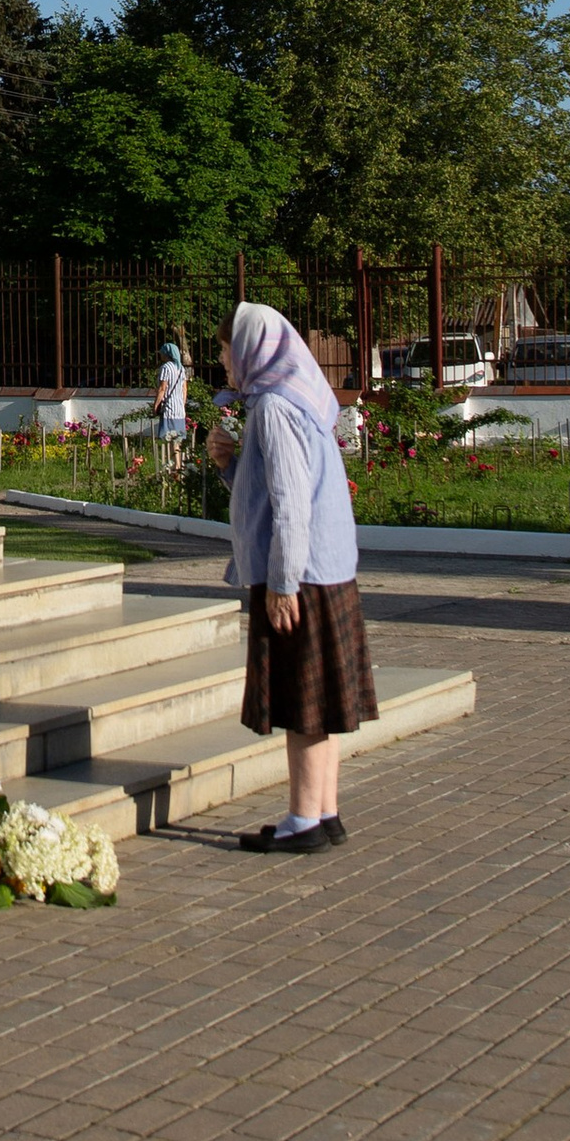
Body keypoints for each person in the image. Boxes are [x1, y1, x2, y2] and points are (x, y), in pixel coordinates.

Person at [210, 299, 377, 850]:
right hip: (327, 572)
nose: (222, 358)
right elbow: (268, 495)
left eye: (225, 347)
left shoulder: (277, 408)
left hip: (300, 576)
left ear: (252, 348)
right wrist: (230, 464)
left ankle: (303, 820)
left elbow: (288, 503)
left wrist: (282, 583)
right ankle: (325, 811)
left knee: (301, 703)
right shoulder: (300, 398)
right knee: (321, 703)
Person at [150, 338, 190, 469]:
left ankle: (174, 465)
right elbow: (184, 389)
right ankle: (177, 464)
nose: (160, 355)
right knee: (177, 440)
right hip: (179, 408)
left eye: (161, 353)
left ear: (167, 354)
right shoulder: (181, 369)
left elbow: (162, 388)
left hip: (170, 408)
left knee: (170, 438)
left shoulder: (166, 368)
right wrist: (182, 404)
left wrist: (156, 405)